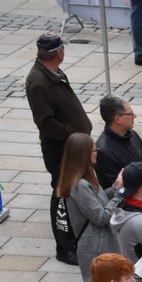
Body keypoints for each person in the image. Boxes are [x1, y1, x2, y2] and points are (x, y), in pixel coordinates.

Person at [25, 33, 91, 266]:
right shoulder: (39, 81)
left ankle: (75, 237)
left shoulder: (53, 73)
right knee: (62, 195)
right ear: (59, 53)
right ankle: (64, 247)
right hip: (61, 149)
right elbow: (45, 123)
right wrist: (73, 133)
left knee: (72, 192)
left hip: (72, 146)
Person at [58, 134, 120, 282]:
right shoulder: (79, 185)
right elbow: (100, 217)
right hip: (97, 250)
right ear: (84, 155)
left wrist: (115, 188)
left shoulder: (86, 177)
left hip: (100, 247)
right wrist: (120, 196)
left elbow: (98, 202)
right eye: (94, 150)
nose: (97, 152)